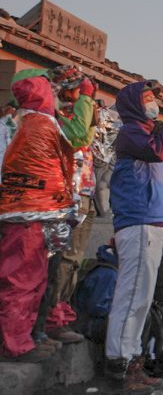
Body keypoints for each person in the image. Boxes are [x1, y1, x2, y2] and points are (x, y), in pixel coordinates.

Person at [104, 80, 163, 392]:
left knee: (141, 298)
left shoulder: (148, 133)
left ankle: (131, 360)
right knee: (131, 297)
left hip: (152, 223)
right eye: (149, 99)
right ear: (135, 105)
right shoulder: (131, 133)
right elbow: (160, 150)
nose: (154, 103)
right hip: (138, 222)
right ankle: (119, 363)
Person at [0, 76, 75, 362]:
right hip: (31, 214)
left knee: (31, 279)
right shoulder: (40, 125)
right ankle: (15, 344)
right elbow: (64, 161)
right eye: (52, 92)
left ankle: (24, 338)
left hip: (28, 213)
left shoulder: (21, 123)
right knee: (22, 281)